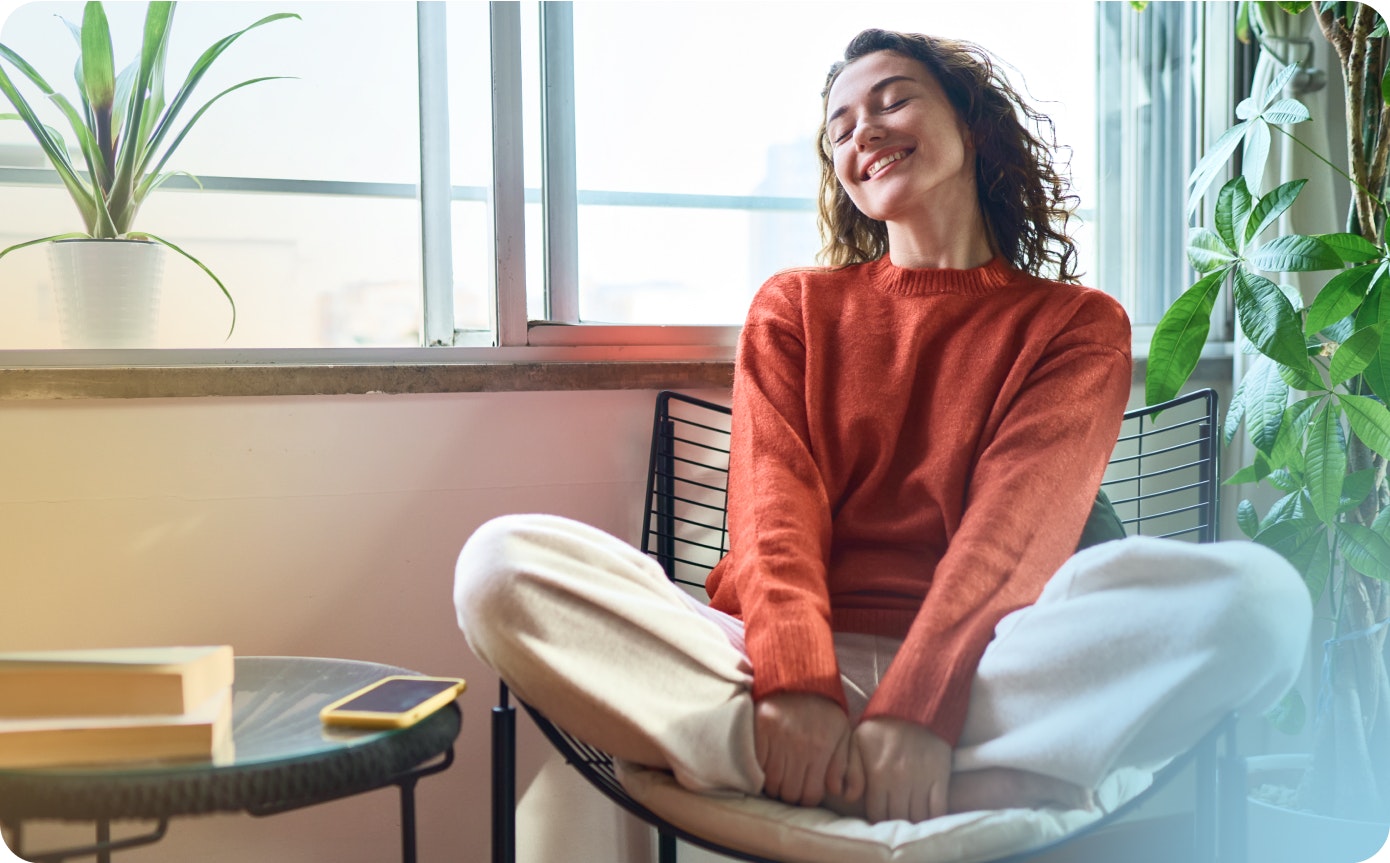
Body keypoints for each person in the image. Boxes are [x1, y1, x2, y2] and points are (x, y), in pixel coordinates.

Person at [454, 28, 1312, 828]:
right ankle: (961, 782)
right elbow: (772, 513)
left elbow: (1015, 532)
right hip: (765, 673)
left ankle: (784, 770)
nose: (864, 129)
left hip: (986, 671)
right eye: (840, 128)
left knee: (1263, 600)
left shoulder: (1076, 324)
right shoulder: (795, 305)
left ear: (972, 126)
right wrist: (798, 685)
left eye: (894, 99)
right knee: (499, 562)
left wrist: (917, 707)